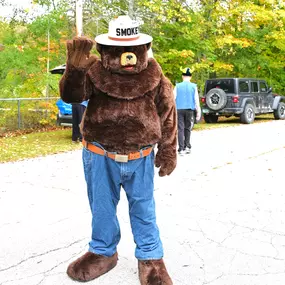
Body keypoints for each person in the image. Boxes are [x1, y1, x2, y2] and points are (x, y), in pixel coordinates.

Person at [174, 67, 201, 155]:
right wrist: (198, 111)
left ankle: (181, 149)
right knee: (187, 128)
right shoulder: (194, 86)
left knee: (180, 128)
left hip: (179, 109)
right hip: (189, 110)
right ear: (191, 77)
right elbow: (196, 100)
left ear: (182, 76)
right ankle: (187, 146)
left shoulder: (177, 86)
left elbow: (173, 98)